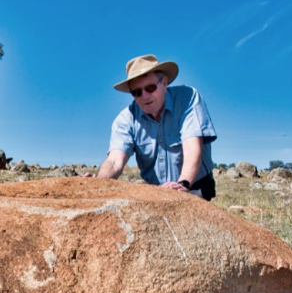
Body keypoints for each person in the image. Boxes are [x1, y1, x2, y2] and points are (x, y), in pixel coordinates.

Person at [87, 54, 217, 200]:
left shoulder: (187, 98)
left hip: (194, 187)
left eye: (150, 88)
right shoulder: (125, 120)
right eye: (137, 92)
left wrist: (183, 184)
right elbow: (114, 161)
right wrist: (98, 184)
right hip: (156, 193)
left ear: (164, 83)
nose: (144, 96)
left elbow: (192, 147)